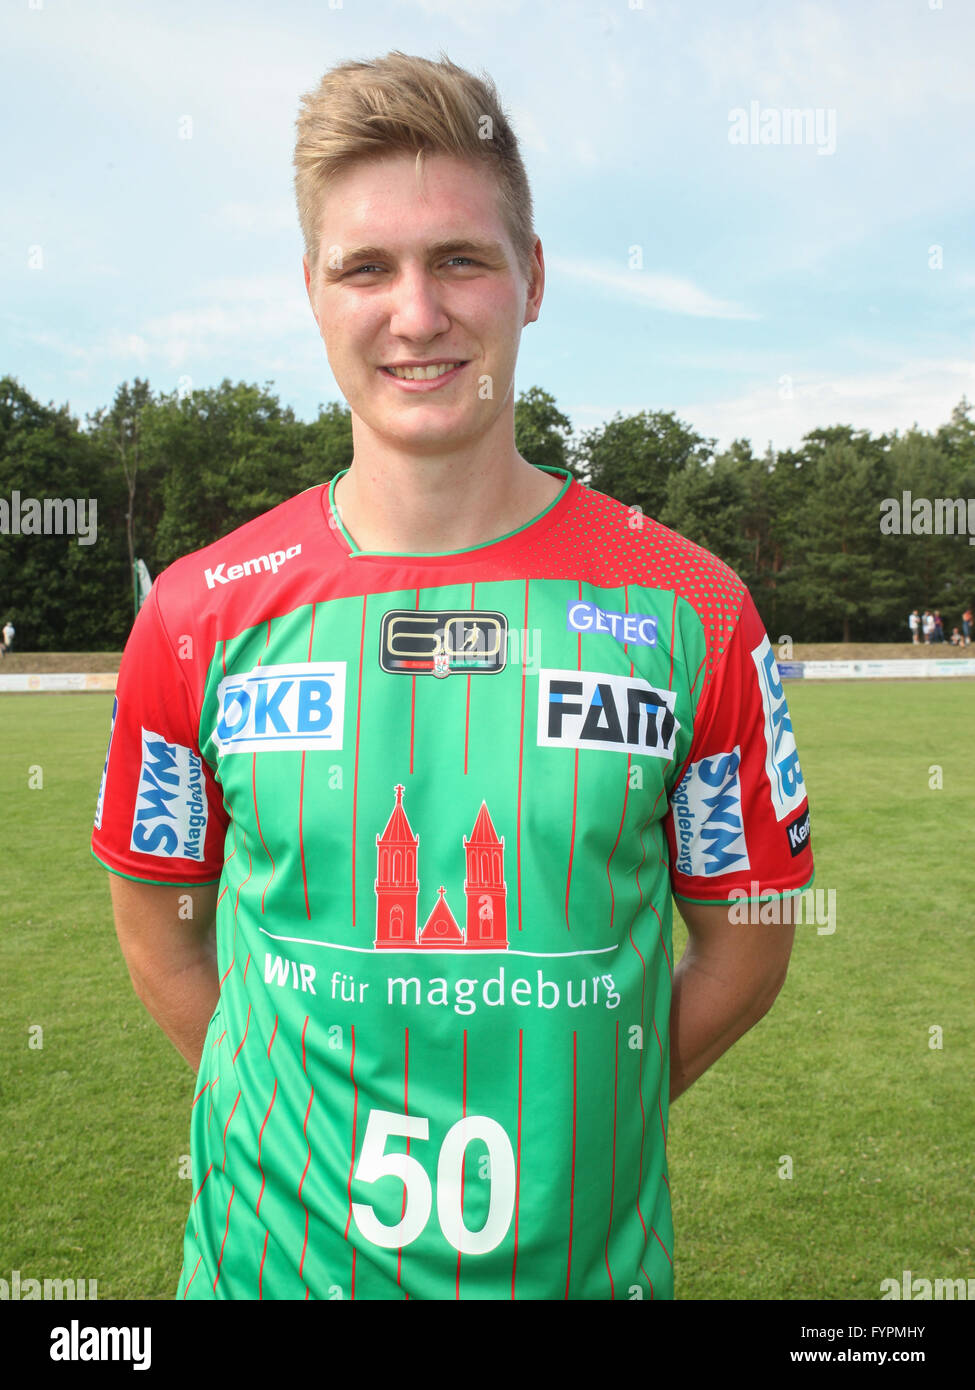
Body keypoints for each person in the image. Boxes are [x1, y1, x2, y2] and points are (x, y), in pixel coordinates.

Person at [91, 51, 813, 1302]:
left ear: (532, 279)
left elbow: (747, 942)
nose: (415, 314)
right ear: (312, 292)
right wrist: (290, 1123)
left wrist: (583, 1104)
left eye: (459, 260)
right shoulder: (197, 612)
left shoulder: (695, 607)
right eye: (366, 268)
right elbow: (161, 925)